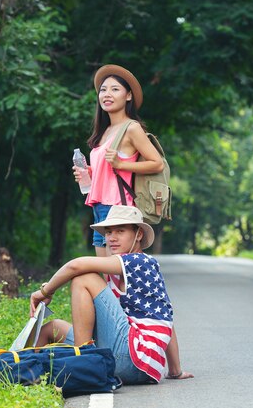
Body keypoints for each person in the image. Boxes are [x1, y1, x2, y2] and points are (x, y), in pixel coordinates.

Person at [29, 205, 193, 384]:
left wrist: (45, 291)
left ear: (138, 235)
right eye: (108, 232)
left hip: (133, 357)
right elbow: (165, 318)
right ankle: (21, 370)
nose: (112, 238)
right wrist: (175, 370)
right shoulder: (123, 270)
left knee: (84, 278)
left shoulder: (139, 261)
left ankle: (82, 365)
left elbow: (75, 266)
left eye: (120, 231)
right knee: (52, 328)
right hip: (136, 362)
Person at [74, 64, 164, 257]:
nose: (107, 94)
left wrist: (121, 164)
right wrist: (90, 173)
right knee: (107, 275)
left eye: (115, 89)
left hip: (118, 208)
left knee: (118, 273)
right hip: (99, 207)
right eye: (103, 90)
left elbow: (157, 163)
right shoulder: (104, 131)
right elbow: (110, 171)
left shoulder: (131, 128)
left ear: (128, 96)